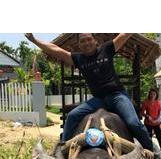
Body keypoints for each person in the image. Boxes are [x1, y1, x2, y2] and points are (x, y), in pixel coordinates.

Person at [25, 33, 153, 151]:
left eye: (89, 39)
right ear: (79, 45)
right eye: (82, 41)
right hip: (98, 100)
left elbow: (125, 35)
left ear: (95, 41)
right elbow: (55, 49)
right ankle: (63, 149)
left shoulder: (107, 48)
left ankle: (151, 149)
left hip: (117, 96)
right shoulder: (78, 59)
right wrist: (34, 40)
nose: (86, 43)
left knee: (133, 122)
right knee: (72, 116)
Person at [141, 88, 161, 154]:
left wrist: (157, 120)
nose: (152, 95)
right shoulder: (145, 102)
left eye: (154, 94)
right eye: (151, 94)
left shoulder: (158, 102)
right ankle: (150, 152)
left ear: (156, 95)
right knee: (148, 137)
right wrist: (148, 116)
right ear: (149, 94)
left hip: (156, 123)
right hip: (148, 123)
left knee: (159, 137)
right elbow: (142, 113)